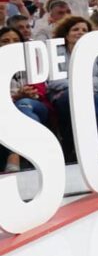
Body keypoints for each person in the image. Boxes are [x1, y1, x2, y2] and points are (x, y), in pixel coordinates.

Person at [47, 16, 98, 141]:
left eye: (85, 30)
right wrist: (81, 86)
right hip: (66, 95)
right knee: (69, 104)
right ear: (66, 34)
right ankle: (70, 147)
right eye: (75, 29)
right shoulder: (55, 53)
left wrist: (78, 85)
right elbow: (54, 82)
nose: (80, 32)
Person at [3, 25, 49, 173]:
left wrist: (27, 93)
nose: (11, 44)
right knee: (15, 110)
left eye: (16, 40)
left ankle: (15, 155)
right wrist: (15, 96)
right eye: (5, 41)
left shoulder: (32, 61)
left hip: (35, 104)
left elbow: (40, 90)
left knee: (24, 105)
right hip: (7, 109)